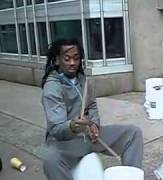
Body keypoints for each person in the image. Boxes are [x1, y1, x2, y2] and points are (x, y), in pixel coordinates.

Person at [41, 39, 143, 180]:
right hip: (66, 143)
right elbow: (56, 128)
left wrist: (94, 124)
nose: (72, 63)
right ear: (57, 60)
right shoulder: (52, 87)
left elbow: (92, 106)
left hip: (88, 137)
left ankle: (131, 176)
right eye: (67, 58)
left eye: (76, 58)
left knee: (133, 133)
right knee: (51, 161)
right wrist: (72, 126)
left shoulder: (82, 79)